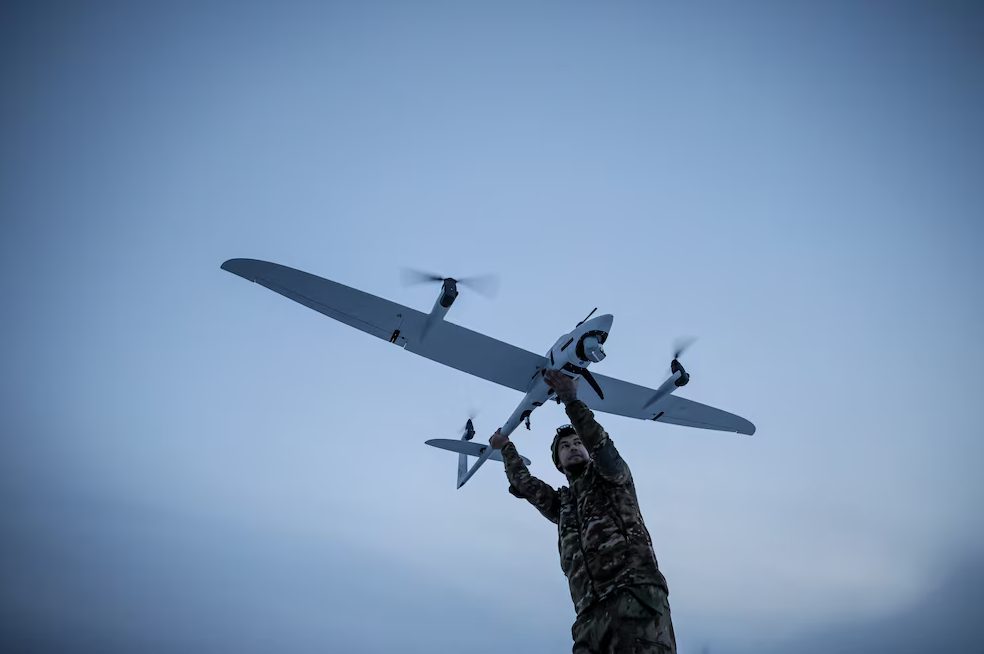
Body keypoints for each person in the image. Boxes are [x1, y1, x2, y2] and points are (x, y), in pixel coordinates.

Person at [490, 369, 676, 654]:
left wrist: (570, 400)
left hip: (634, 598)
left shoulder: (613, 478)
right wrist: (506, 449)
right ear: (558, 462)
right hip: (588, 616)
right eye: (564, 447)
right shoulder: (564, 504)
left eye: (577, 443)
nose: (573, 448)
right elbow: (524, 485)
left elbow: (600, 443)